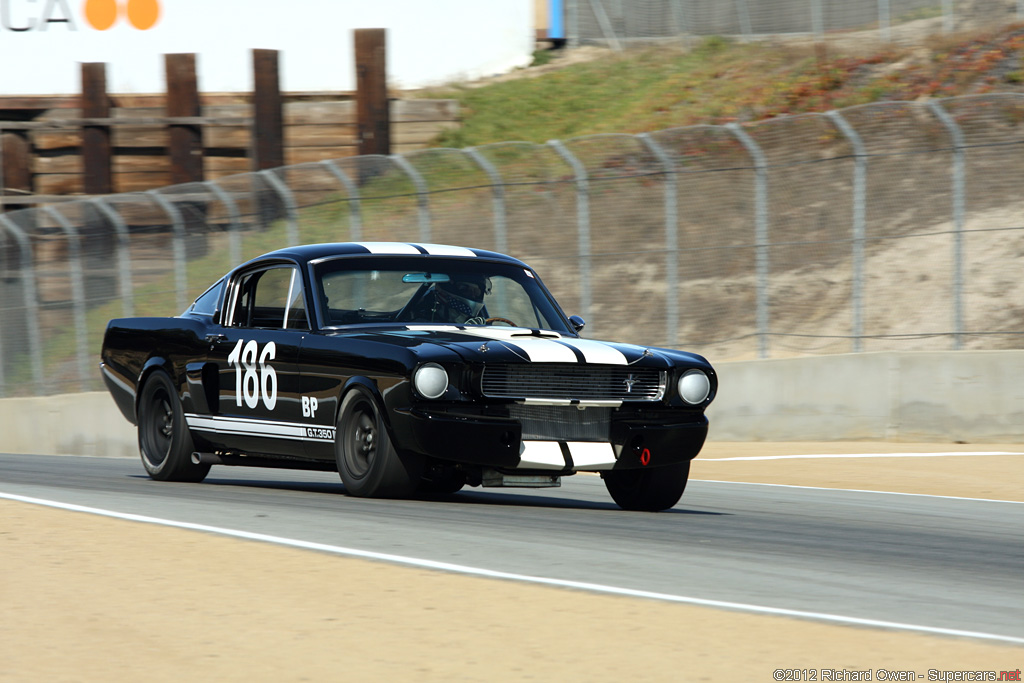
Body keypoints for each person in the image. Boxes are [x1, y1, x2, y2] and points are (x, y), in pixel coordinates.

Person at [418, 274, 489, 323]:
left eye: (477, 292)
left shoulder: (481, 320)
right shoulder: (423, 319)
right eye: (465, 289)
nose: (473, 295)